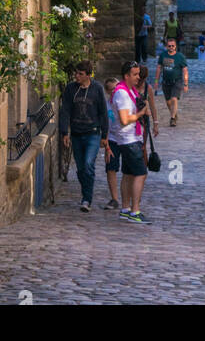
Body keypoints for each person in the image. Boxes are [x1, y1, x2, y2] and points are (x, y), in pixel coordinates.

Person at [59, 61, 109, 213]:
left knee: (88, 164)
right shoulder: (70, 89)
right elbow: (65, 110)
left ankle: (87, 198)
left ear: (88, 75)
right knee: (81, 169)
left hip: (92, 133)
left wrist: (104, 135)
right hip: (76, 134)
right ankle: (85, 193)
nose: (77, 76)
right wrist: (64, 132)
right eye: (76, 73)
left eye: (80, 74)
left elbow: (103, 112)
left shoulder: (97, 89)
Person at [109, 61, 150, 222]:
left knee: (128, 174)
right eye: (135, 74)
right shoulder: (123, 94)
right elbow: (125, 119)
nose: (138, 77)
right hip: (129, 139)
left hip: (128, 138)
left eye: (138, 74)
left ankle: (125, 208)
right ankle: (135, 211)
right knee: (141, 174)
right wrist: (141, 114)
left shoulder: (129, 91)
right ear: (126, 76)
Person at [154, 36, 189, 126]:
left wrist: (185, 84)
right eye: (169, 46)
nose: (171, 47)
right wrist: (156, 81)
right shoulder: (163, 55)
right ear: (166, 46)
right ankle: (174, 113)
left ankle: (172, 118)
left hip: (176, 81)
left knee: (174, 99)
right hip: (166, 81)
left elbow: (185, 70)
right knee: (168, 102)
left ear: (175, 46)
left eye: (173, 46)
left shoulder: (180, 57)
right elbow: (159, 68)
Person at [102, 77, 121, 209]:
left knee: (129, 170)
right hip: (113, 139)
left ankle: (129, 198)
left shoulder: (127, 101)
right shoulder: (106, 105)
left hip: (127, 139)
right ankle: (114, 198)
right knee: (111, 168)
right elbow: (105, 125)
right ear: (107, 91)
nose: (115, 91)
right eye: (112, 89)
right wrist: (106, 144)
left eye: (117, 87)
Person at [136, 62, 159, 161]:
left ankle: (142, 169)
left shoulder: (147, 88)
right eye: (140, 79)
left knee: (142, 146)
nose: (141, 81)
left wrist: (155, 123)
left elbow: (153, 106)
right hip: (132, 119)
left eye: (143, 79)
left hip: (144, 121)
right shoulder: (131, 86)